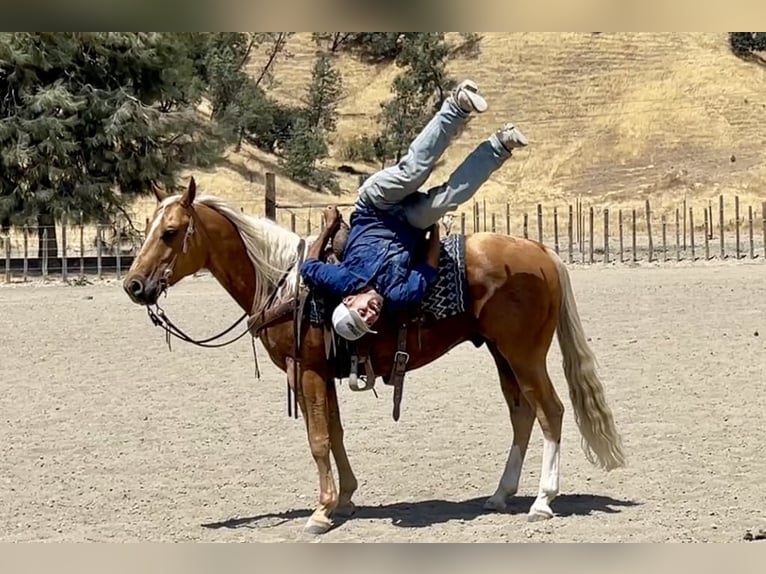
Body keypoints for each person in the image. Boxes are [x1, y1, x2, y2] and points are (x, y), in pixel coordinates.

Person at [299, 79, 528, 341]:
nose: (370, 314)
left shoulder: (341, 281)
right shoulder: (399, 295)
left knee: (412, 174)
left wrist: (328, 227)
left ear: (349, 300)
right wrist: (433, 228)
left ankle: (457, 105)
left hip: (374, 206)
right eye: (369, 321)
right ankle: (500, 144)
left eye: (360, 313)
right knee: (447, 200)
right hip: (410, 224)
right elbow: (429, 268)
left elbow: (309, 266)